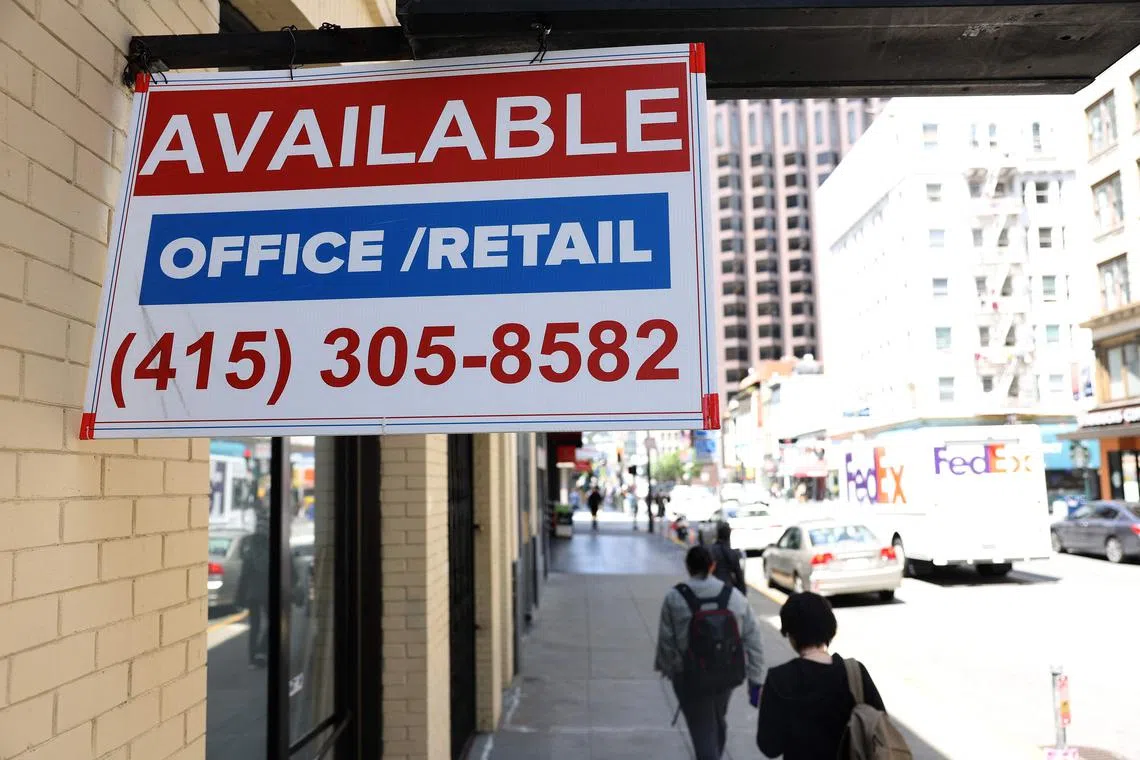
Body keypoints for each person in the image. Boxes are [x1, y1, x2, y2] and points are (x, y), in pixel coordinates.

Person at [655, 546, 765, 760]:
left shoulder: (674, 597)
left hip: (691, 676)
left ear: (688, 567)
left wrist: (672, 670)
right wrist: (755, 681)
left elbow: (666, 642)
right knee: (716, 718)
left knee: (702, 728)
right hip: (726, 675)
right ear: (712, 566)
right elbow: (754, 639)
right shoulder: (734, 597)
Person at [756, 592, 886, 760]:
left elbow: (769, 747)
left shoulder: (779, 679)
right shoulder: (855, 672)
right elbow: (880, 725)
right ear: (830, 629)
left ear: (791, 635)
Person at [237, 529, 271, 668]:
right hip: (267, 594)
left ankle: (252, 659)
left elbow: (243, 578)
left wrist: (239, 598)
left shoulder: (249, 556)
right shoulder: (269, 554)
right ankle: (262, 649)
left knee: (254, 626)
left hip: (252, 595)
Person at [709, 521, 746, 594]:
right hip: (728, 588)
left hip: (712, 588)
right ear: (729, 535)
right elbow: (739, 577)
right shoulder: (733, 553)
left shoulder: (711, 550)